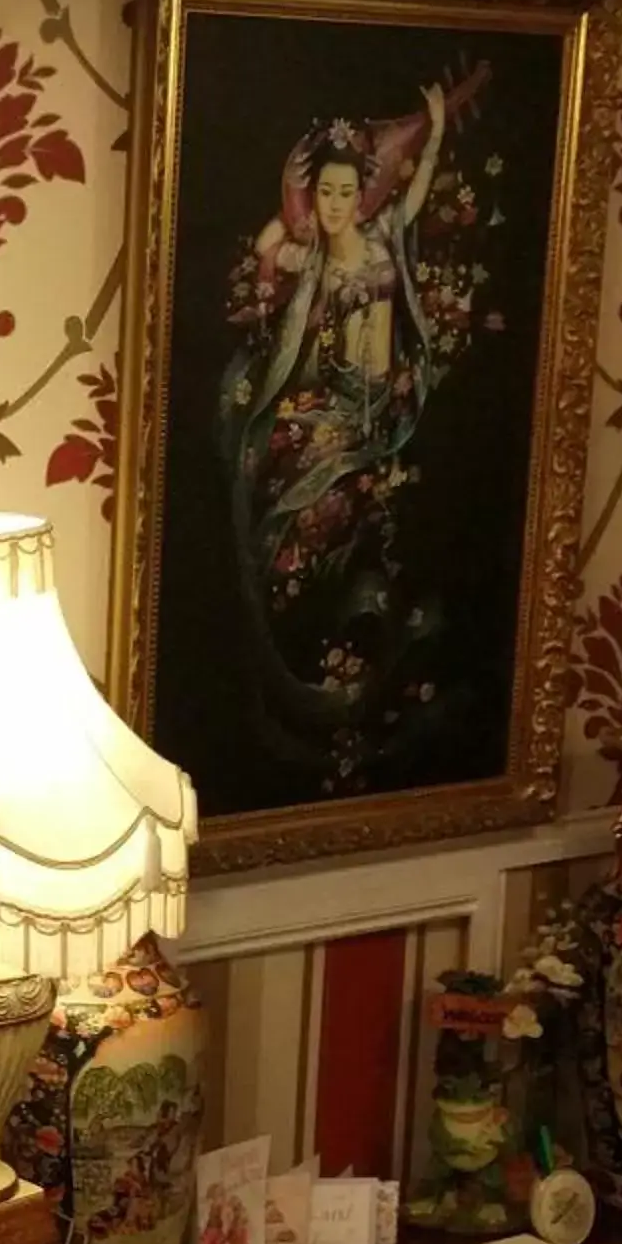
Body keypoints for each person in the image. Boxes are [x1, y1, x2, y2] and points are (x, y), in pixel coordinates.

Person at [216, 71, 475, 788]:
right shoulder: (313, 258)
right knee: (296, 499)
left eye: (343, 193)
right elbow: (270, 241)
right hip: (332, 407)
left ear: (362, 195)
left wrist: (438, 129)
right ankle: (308, 643)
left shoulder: (387, 233)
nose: (334, 205)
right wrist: (286, 193)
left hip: (384, 408)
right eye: (323, 193)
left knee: (378, 518)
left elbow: (418, 188)